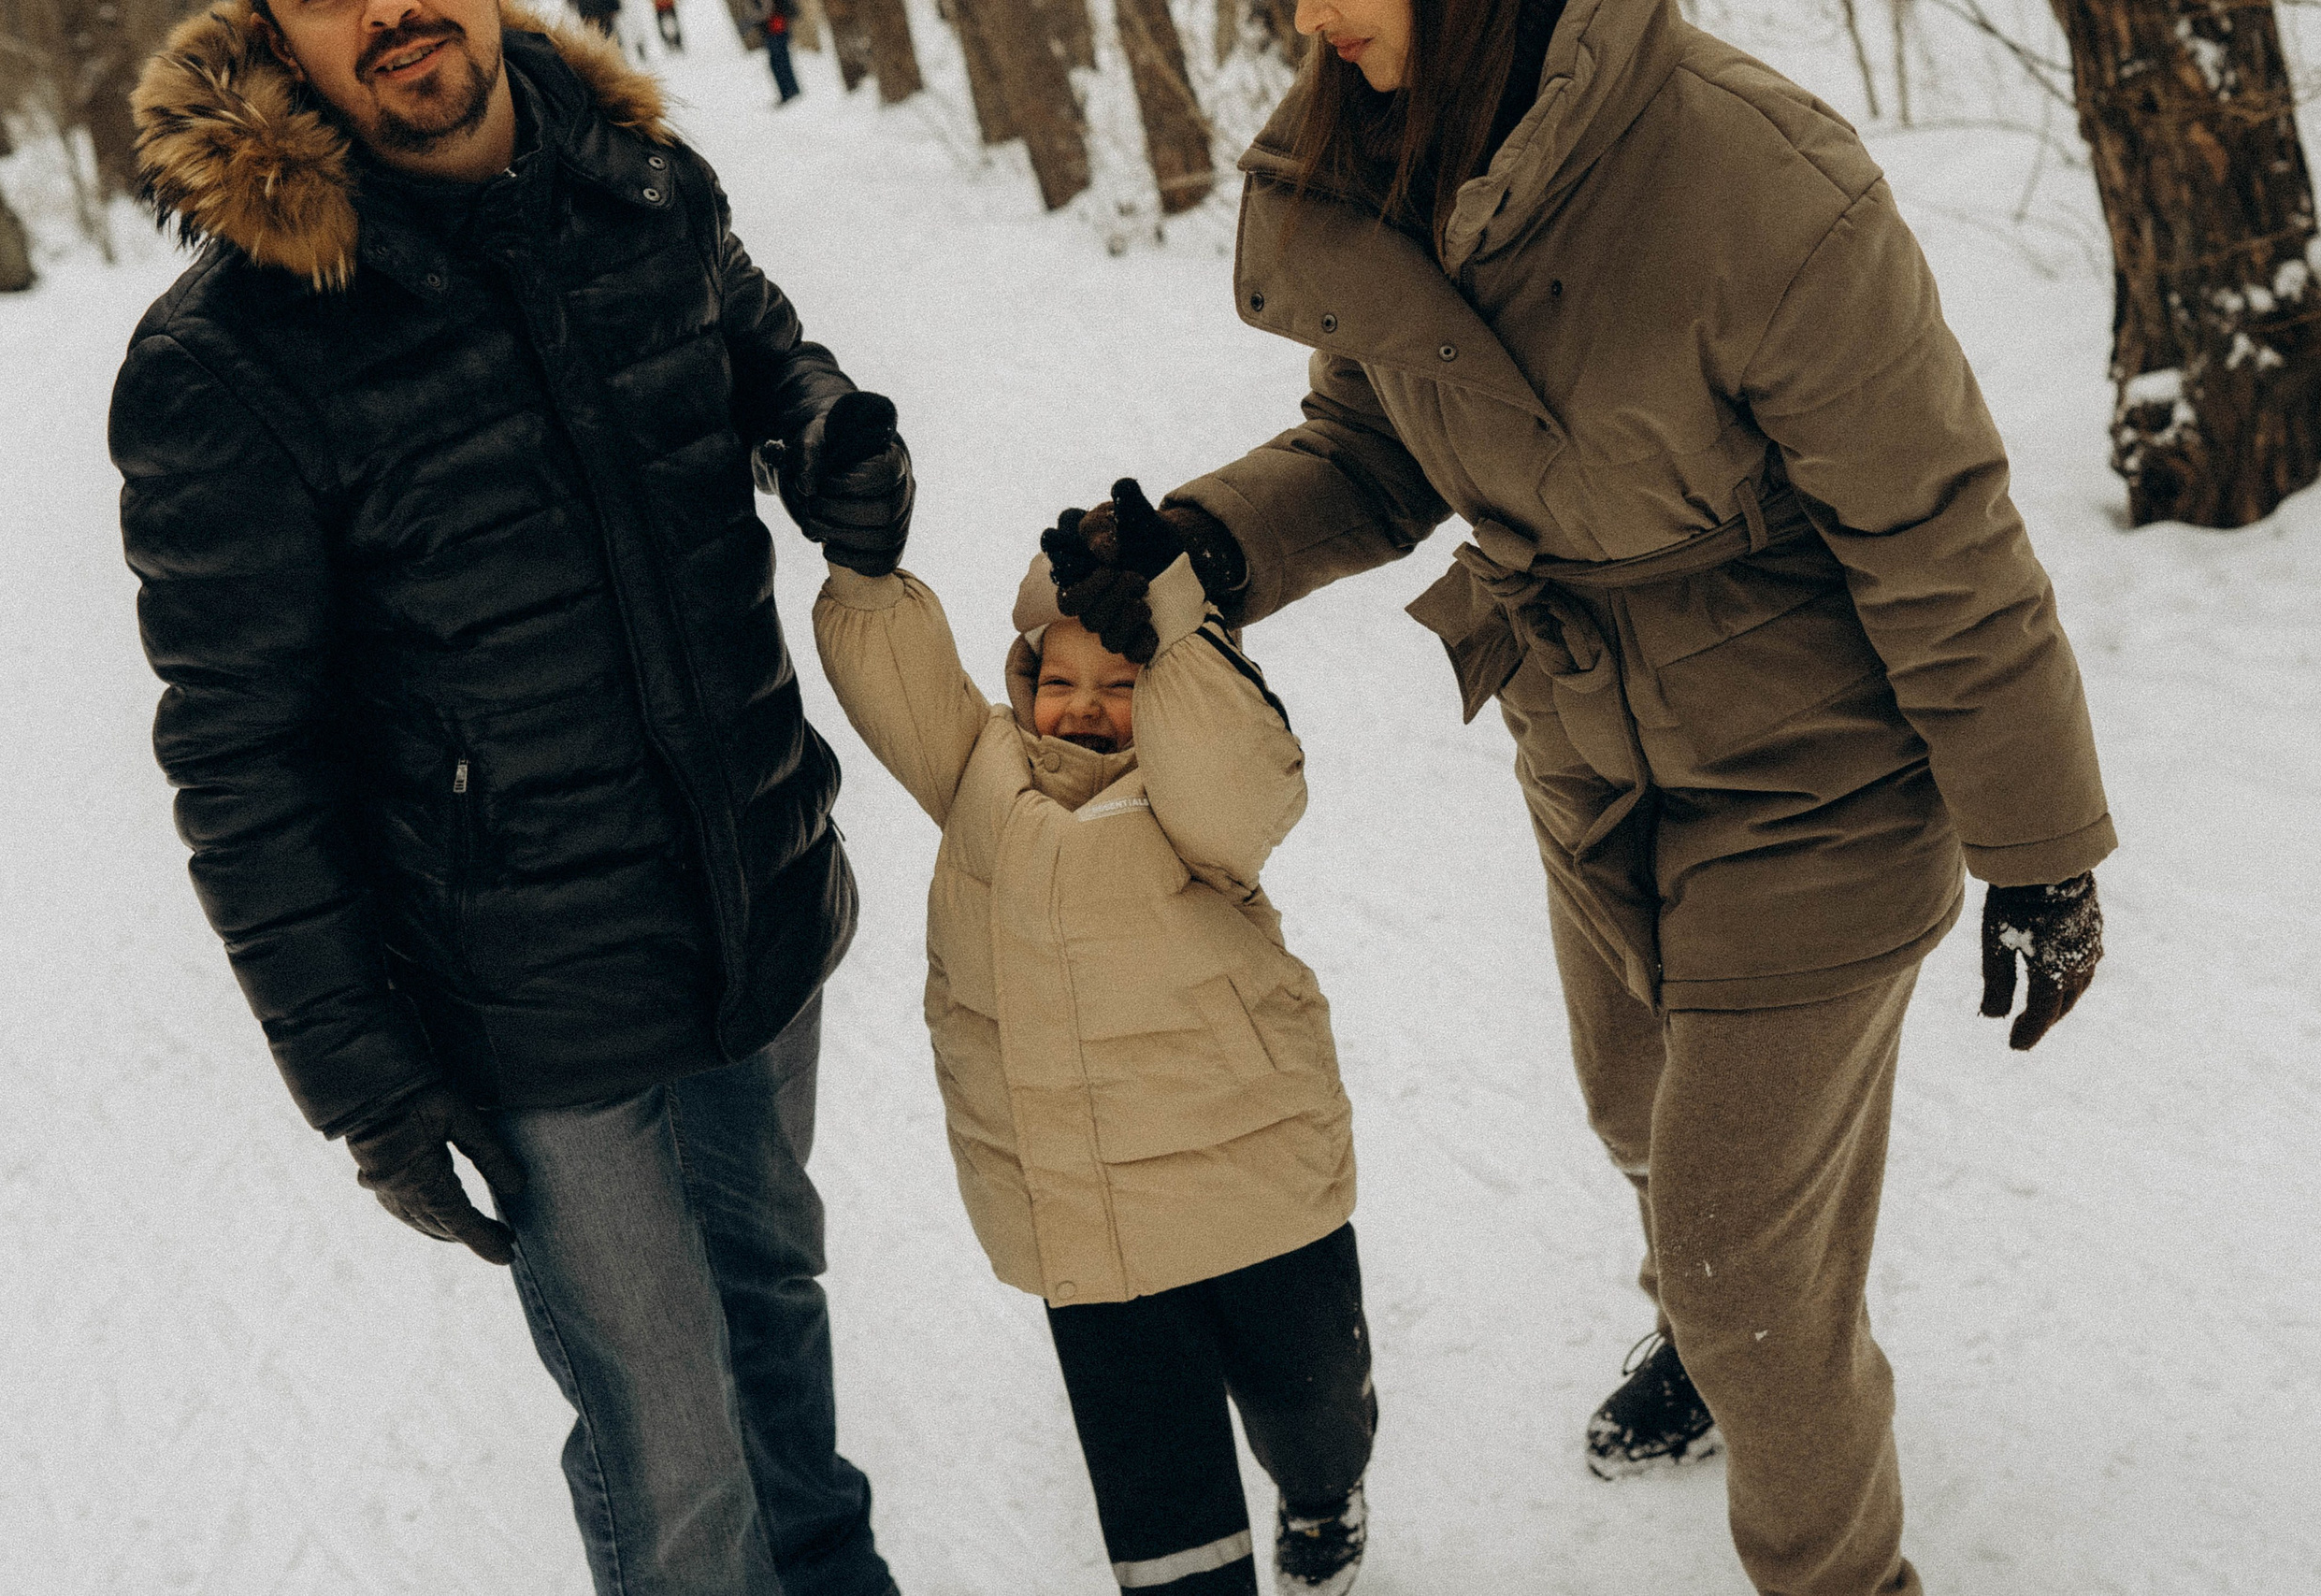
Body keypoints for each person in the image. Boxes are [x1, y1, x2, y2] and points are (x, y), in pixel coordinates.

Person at [1049, 0, 2115, 1590]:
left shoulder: (1758, 177)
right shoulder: (1388, 138)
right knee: (1637, 1110)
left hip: (1815, 774)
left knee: (1742, 1255)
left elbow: (1940, 534)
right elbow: (1375, 444)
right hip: (1590, 748)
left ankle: (1823, 1525)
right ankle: (1715, 1339)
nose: (1308, 17)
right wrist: (1204, 541)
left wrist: (2041, 846)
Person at [110, 0, 913, 1590]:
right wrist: (363, 1077)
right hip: (530, 1007)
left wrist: (821, 427)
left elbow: (753, 338)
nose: (390, 12)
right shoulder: (229, 356)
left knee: (774, 1301)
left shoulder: (635, 179)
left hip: (749, 893)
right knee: (669, 1437)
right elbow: (241, 757)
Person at [806, 481, 1376, 1596]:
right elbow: (902, 688)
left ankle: (1323, 1494)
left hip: (1251, 1179)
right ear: (1023, 682)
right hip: (1084, 1209)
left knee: (1311, 1402)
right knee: (1157, 1490)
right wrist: (865, 574)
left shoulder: (1192, 799)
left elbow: (1238, 770)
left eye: (1122, 685)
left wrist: (1180, 619)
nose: (1082, 708)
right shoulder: (979, 773)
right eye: (1058, 680)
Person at [761, 0, 801, 104]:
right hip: (773, 30)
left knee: (780, 62)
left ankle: (790, 92)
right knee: (778, 62)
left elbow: (769, 9)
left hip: (777, 29)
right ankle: (788, 92)